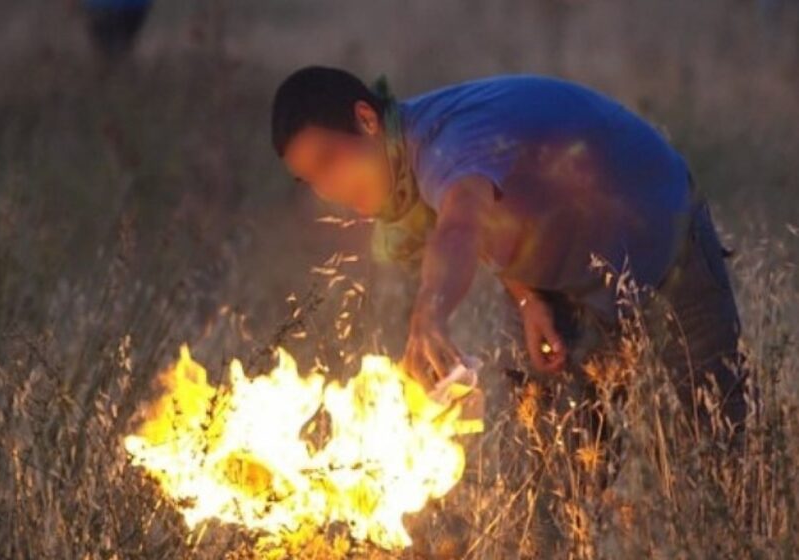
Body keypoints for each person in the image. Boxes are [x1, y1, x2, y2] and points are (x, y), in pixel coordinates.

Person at [270, 66, 746, 428]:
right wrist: (526, 296)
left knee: (718, 444)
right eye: (310, 179)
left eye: (329, 161)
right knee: (550, 474)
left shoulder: (443, 142)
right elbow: (497, 212)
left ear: (366, 118)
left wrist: (429, 313)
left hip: (662, 240)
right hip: (559, 278)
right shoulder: (400, 169)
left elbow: (461, 225)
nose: (327, 189)